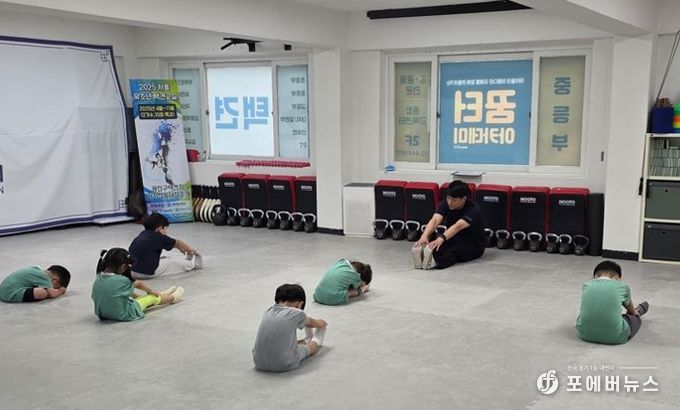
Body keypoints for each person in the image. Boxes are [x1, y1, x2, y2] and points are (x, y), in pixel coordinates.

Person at [91, 248, 184, 322]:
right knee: (152, 298)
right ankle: (173, 298)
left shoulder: (99, 277)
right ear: (123, 266)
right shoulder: (122, 281)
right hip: (123, 314)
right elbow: (139, 284)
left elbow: (118, 292)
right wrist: (153, 292)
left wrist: (139, 297)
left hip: (103, 314)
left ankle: (160, 296)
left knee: (139, 299)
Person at [253, 284, 328, 372]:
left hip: (258, 362)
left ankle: (306, 340)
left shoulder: (268, 311)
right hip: (284, 363)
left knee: (284, 342)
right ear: (300, 304)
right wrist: (321, 323)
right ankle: (316, 340)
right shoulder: (298, 313)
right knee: (312, 348)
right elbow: (311, 324)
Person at [411, 180, 485, 270]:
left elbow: (458, 226)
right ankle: (425, 261)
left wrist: (441, 238)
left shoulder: (473, 209)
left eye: (454, 200)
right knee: (435, 247)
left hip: (474, 244)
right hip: (453, 238)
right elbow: (435, 220)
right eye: (448, 198)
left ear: (464, 199)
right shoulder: (445, 204)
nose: (450, 202)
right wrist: (424, 236)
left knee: (454, 252)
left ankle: (435, 263)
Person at [576, 260, 649, 344]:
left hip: (584, 334)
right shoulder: (622, 286)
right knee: (634, 317)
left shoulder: (586, 285)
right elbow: (630, 310)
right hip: (615, 337)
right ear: (619, 277)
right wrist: (634, 313)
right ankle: (641, 309)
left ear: (594, 276)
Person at [129, 212, 199, 279]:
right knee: (171, 261)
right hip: (145, 274)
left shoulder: (143, 234)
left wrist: (181, 248)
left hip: (132, 271)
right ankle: (193, 265)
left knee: (162, 258)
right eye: (166, 229)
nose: (166, 232)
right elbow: (177, 243)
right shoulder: (159, 237)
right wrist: (189, 249)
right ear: (160, 228)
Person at [0, 265, 70, 303]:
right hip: (10, 294)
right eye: (55, 287)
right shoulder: (45, 277)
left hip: (3, 291)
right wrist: (61, 291)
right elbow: (52, 294)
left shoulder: (36, 270)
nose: (52, 288)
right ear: (55, 279)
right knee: (42, 292)